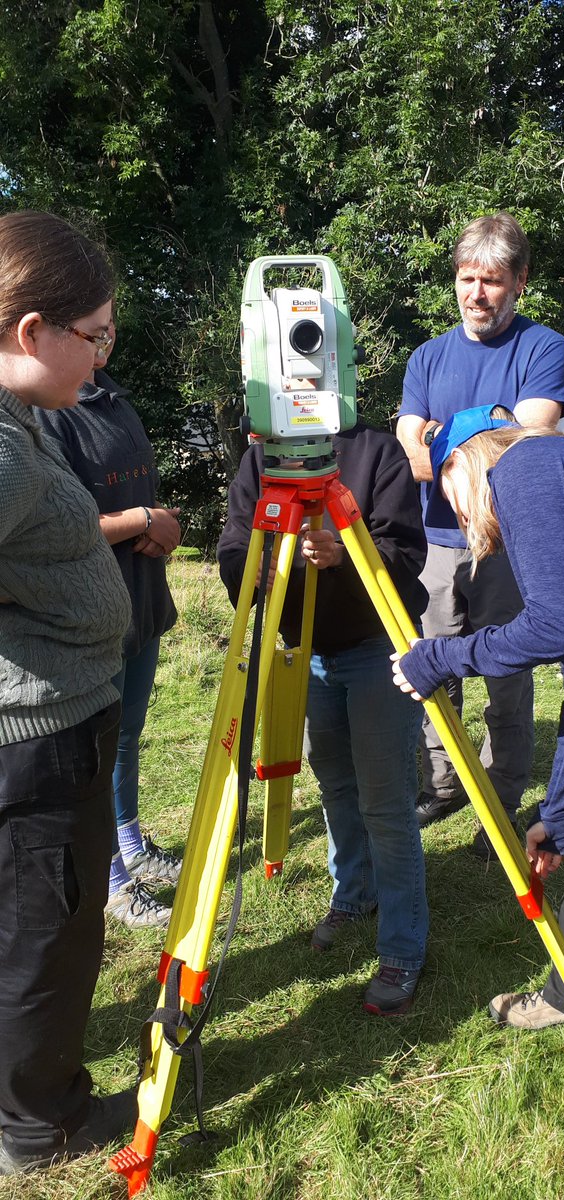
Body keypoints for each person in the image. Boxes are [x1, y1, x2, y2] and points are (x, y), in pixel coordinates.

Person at [391, 404, 564, 1185]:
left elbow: (553, 625)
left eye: (448, 495)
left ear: (463, 463)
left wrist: (442, 657)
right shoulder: (555, 477)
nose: (458, 516)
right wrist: (556, 809)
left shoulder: (529, 467)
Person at [0, 210, 138, 1173]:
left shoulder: (23, 416)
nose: (99, 358)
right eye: (90, 337)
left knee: (42, 922)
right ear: (29, 333)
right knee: (43, 935)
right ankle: (39, 1125)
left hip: (64, 716)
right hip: (36, 738)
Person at [217, 422, 429, 1015]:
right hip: (305, 652)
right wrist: (253, 571)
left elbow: (406, 552)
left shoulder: (378, 452)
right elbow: (235, 541)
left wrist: (343, 552)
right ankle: (354, 893)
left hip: (375, 646)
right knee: (336, 784)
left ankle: (403, 946)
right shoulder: (264, 458)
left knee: (386, 801)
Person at [397, 211, 564, 855]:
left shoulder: (544, 348)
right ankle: (445, 783)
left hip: (508, 543)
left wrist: (446, 436)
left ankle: (499, 793)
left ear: (520, 282)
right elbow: (410, 442)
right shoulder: (428, 355)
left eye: (492, 281)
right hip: (439, 541)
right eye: (467, 278)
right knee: (431, 669)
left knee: (507, 670)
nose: (477, 293)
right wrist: (480, 428)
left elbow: (529, 437)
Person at [36, 325, 182, 929]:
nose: (109, 336)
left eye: (112, 325)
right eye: (93, 326)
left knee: (128, 735)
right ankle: (113, 883)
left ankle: (129, 840)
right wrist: (144, 520)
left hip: (139, 599)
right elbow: (58, 524)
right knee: (96, 746)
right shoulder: (50, 414)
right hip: (92, 611)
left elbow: (129, 493)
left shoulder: (114, 399)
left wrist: (151, 522)